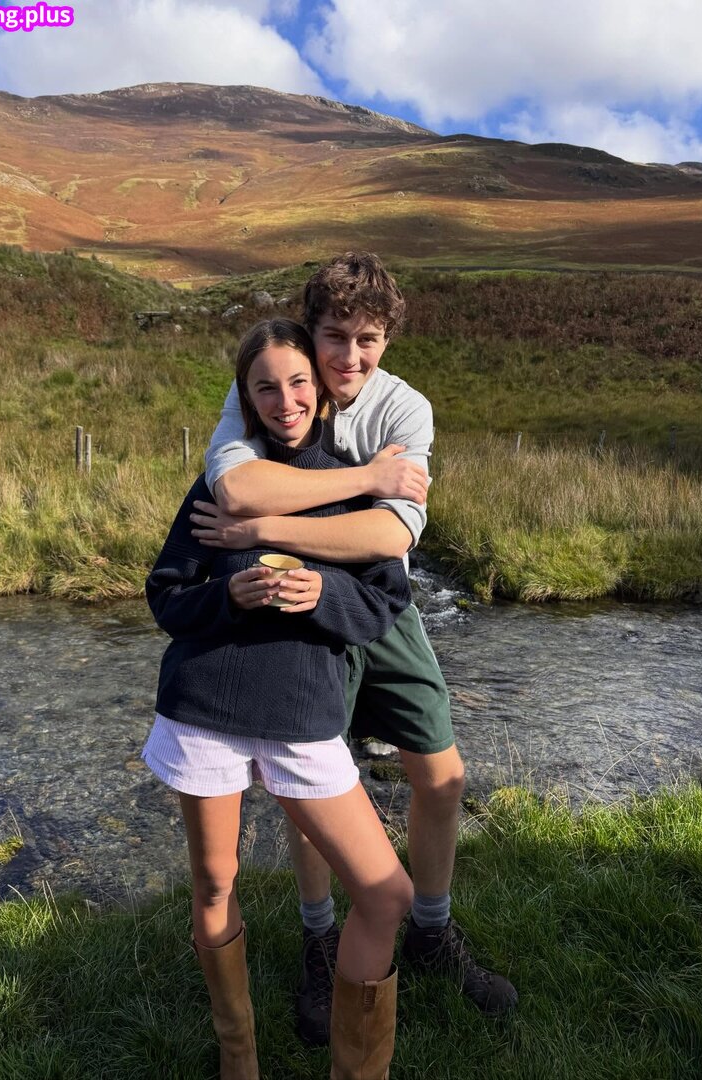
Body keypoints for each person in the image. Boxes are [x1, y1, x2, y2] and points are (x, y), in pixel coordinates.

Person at [195, 252, 518, 1046]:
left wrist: (265, 527)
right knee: (310, 784)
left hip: (385, 606)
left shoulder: (406, 409)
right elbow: (234, 488)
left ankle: (432, 931)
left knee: (441, 775)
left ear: (387, 340)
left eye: (367, 339)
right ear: (311, 330)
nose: (347, 358)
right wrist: (364, 480)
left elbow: (387, 535)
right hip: (296, 612)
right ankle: (320, 939)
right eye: (334, 336)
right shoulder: (274, 385)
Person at [142, 317, 414, 1079]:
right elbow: (166, 598)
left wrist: (323, 594)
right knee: (215, 881)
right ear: (246, 397)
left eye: (298, 382)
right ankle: (240, 1057)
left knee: (385, 894)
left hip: (303, 718)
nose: (285, 400)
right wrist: (227, 596)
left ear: (321, 391)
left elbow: (381, 606)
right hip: (206, 711)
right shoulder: (222, 482)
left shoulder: (356, 486)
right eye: (265, 387)